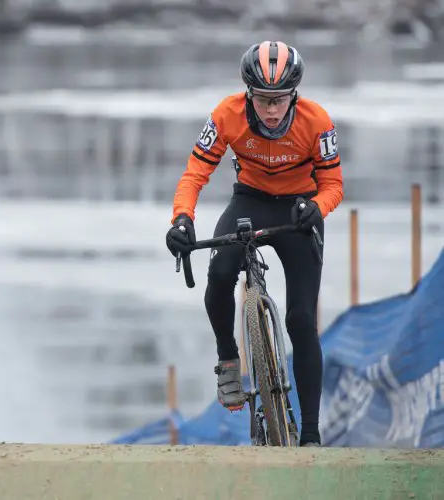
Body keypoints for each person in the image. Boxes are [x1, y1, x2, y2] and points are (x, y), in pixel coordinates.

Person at [165, 41, 344, 447]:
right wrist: (181, 218)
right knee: (220, 272)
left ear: (293, 95)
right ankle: (228, 357)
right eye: (263, 99)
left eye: (280, 100)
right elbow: (195, 173)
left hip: (300, 208)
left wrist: (318, 207)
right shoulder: (226, 115)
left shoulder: (317, 122)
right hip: (251, 199)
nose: (271, 109)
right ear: (249, 94)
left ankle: (311, 434)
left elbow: (333, 184)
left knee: (301, 319)